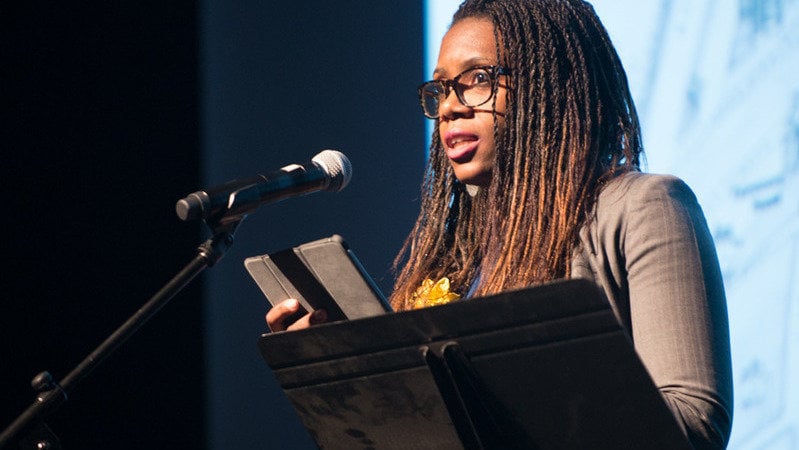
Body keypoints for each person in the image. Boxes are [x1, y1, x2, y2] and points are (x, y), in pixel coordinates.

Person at [267, 0, 733, 448]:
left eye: (478, 79)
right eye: (440, 89)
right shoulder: (456, 256)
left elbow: (693, 422)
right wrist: (343, 375)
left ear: (548, 87)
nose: (449, 107)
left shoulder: (642, 207)